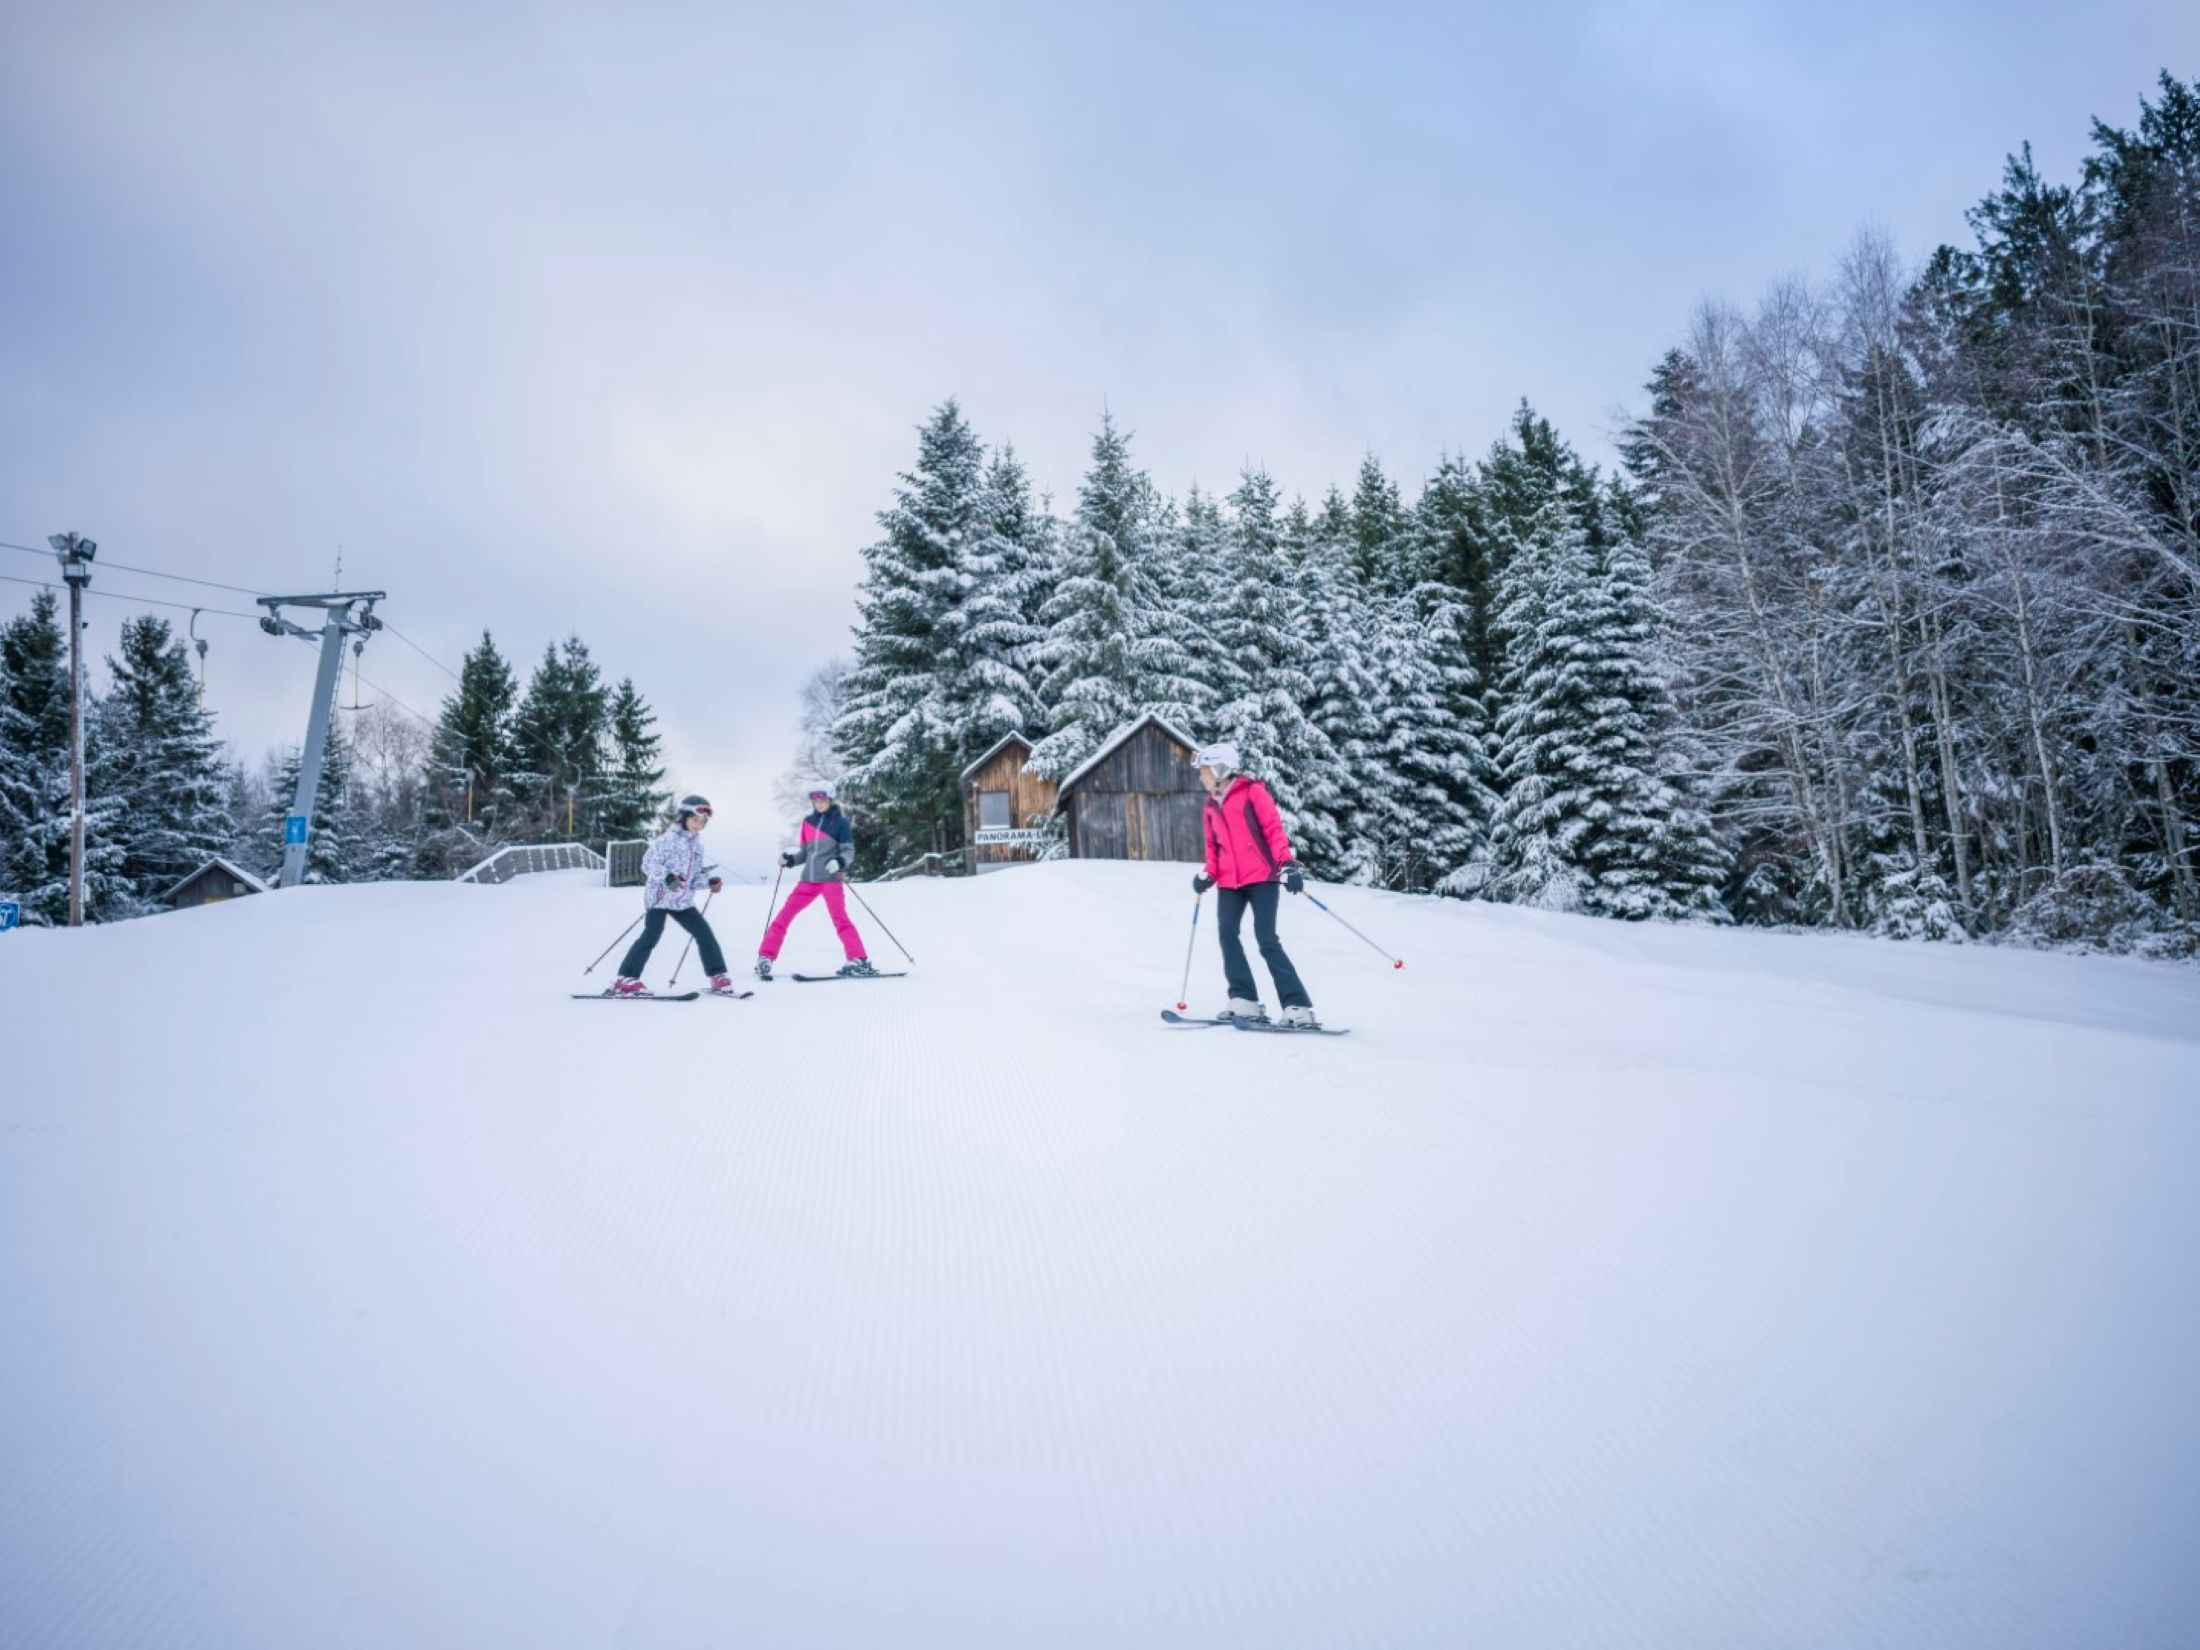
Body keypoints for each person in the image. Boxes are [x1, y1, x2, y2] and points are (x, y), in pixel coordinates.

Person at [1191, 743, 1318, 1026]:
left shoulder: (1253, 793)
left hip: (1261, 876)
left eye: (1205, 771)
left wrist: (1285, 865)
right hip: (1228, 882)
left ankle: (1297, 1006)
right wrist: (1208, 875)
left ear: (1220, 769)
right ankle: (1244, 1000)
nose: (1201, 777)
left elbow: (1274, 831)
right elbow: (1213, 847)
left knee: (1266, 938)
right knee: (1226, 934)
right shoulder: (1211, 805)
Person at [607, 795, 738, 996]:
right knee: (652, 934)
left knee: (704, 933)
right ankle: (625, 978)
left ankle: (717, 976)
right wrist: (667, 877)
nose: (698, 825)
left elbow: (693, 879)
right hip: (659, 896)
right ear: (684, 817)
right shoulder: (667, 840)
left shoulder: (697, 846)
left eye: (702, 822)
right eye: (695, 820)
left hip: (682, 900)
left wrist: (709, 882)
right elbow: (648, 864)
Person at [756, 781, 873, 978]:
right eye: (815, 799)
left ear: (829, 799)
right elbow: (806, 853)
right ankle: (765, 957)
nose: (818, 803)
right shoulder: (807, 822)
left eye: (822, 799)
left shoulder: (840, 823)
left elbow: (848, 851)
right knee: (784, 916)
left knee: (840, 919)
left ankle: (859, 959)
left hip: (830, 879)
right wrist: (791, 859)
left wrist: (840, 861)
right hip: (808, 880)